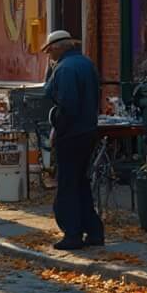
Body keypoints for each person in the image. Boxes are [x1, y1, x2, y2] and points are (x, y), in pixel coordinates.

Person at [43, 29, 105, 251]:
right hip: (87, 130)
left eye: (50, 50)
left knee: (68, 184)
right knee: (80, 182)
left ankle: (73, 233)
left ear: (59, 47)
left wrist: (56, 125)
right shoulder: (85, 63)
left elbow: (66, 104)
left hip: (71, 133)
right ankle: (94, 230)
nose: (48, 54)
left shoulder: (65, 69)